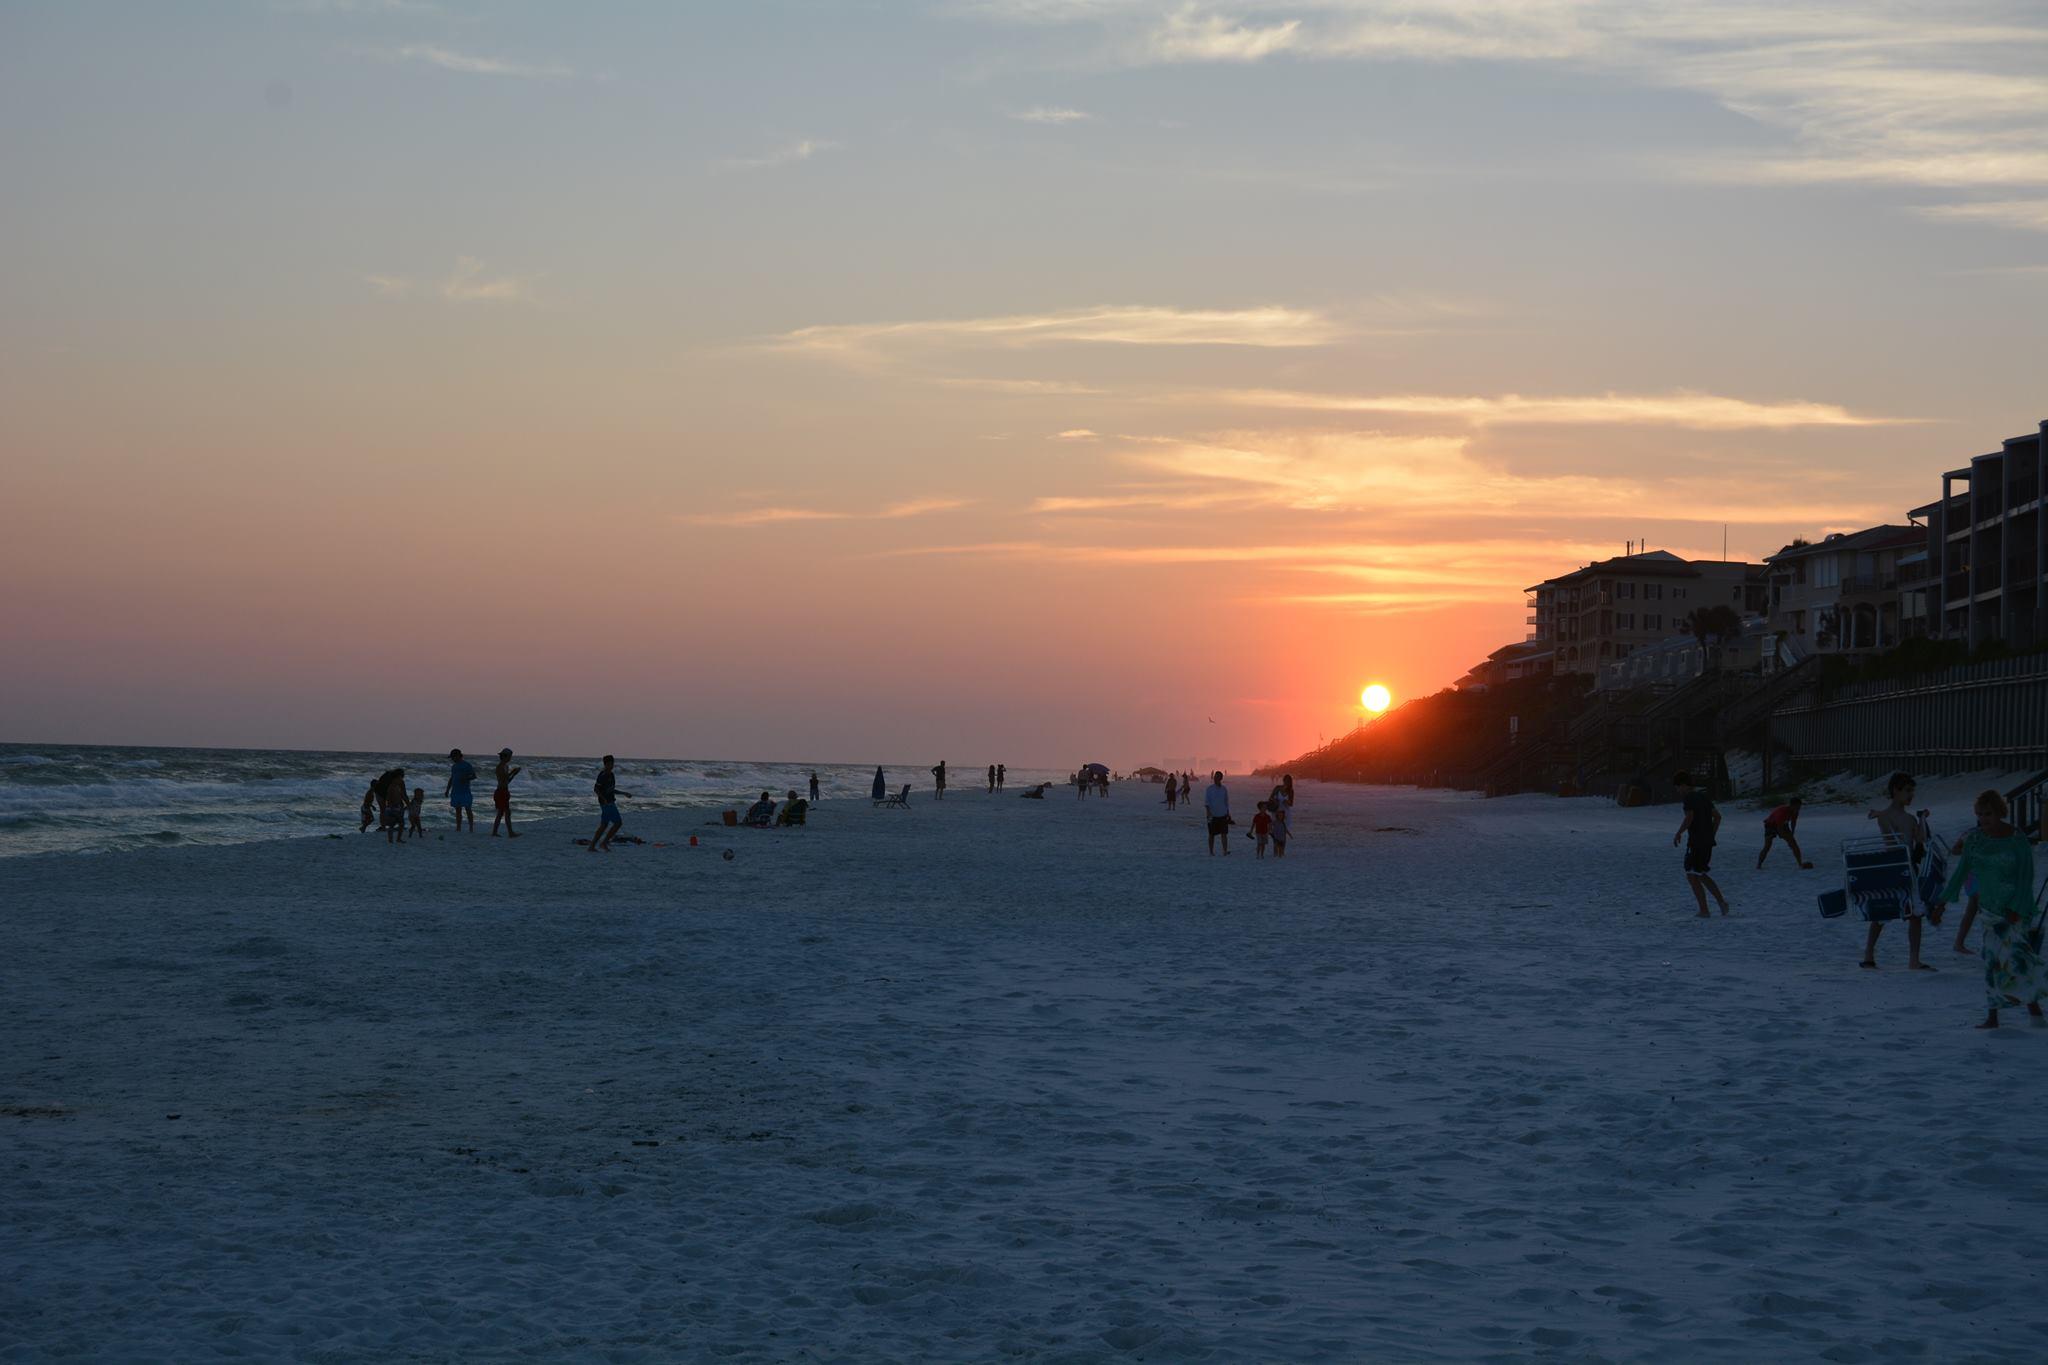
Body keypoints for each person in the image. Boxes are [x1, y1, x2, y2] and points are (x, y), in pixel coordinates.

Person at [1937, 788, 2045, 1029]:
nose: (1984, 819)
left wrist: (2017, 907)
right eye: (1980, 815)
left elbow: (2025, 877)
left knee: (2018, 959)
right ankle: (1993, 1016)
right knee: (1992, 961)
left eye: (1988, 814)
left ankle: (2035, 1011)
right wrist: (1942, 902)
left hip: (2015, 908)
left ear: (2000, 813)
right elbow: (1961, 871)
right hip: (1989, 908)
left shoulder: (2017, 839)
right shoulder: (1975, 839)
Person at [1863, 771, 1932, 970]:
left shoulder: (1906, 818)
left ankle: (1873, 955)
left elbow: (1920, 840)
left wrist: (1922, 820)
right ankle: (1905, 958)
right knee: (1892, 913)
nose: (1911, 795)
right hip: (1899, 866)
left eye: (1912, 791)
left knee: (1899, 914)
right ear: (1896, 790)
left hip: (1899, 866)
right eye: (1908, 791)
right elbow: (1910, 839)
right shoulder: (1893, 817)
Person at [1672, 772, 1729, 917]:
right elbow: (1717, 817)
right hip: (1707, 842)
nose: (1678, 791)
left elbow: (1689, 817)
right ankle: (1721, 902)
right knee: (1700, 873)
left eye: (1678, 788)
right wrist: (1711, 834)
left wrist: (1679, 832)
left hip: (1696, 841)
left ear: (1684, 785)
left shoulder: (1689, 798)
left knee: (1692, 875)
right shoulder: (1703, 797)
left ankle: (1704, 910)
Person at [588, 755, 631, 852]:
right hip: (606, 804)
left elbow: (611, 790)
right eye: (610, 764)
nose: (612, 765)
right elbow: (596, 789)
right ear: (606, 764)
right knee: (618, 823)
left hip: (611, 802)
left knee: (604, 825)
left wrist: (624, 793)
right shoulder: (602, 775)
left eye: (613, 763)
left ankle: (592, 846)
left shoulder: (611, 775)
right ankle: (603, 843)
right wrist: (604, 799)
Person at [1756, 796, 1810, 869]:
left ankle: (1800, 864)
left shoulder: (1795, 812)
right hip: (1770, 825)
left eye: (1799, 807)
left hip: (1784, 824)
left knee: (1794, 844)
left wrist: (1792, 833)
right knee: (1767, 846)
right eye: (1797, 807)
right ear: (1791, 805)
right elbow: (1779, 828)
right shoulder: (1782, 812)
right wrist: (1783, 835)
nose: (1798, 809)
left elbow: (1793, 822)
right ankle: (1759, 864)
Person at [444, 749, 478, 833]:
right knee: (457, 810)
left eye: (453, 757)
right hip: (455, 791)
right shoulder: (454, 766)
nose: (452, 759)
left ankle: (471, 828)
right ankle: (458, 827)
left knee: (468, 809)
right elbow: (452, 778)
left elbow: (474, 776)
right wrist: (447, 789)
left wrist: (466, 778)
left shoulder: (467, 765)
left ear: (458, 756)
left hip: (465, 791)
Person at [490, 748, 522, 838]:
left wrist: (514, 774)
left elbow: (507, 781)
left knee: (501, 813)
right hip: (501, 792)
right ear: (505, 756)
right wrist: (513, 772)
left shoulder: (505, 766)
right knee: (506, 812)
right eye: (509, 756)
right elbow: (504, 778)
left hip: (504, 790)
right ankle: (510, 833)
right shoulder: (500, 767)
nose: (510, 758)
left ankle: (495, 832)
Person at [1203, 771, 1232, 856]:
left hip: (1223, 814)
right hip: (1213, 815)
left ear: (1221, 779)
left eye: (1218, 777)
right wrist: (1208, 814)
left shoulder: (1224, 789)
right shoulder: (1209, 789)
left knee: (1224, 834)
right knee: (1211, 834)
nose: (1216, 779)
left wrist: (1228, 813)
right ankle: (1211, 851)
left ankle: (1225, 851)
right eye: (1215, 777)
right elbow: (1207, 803)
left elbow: (1226, 802)